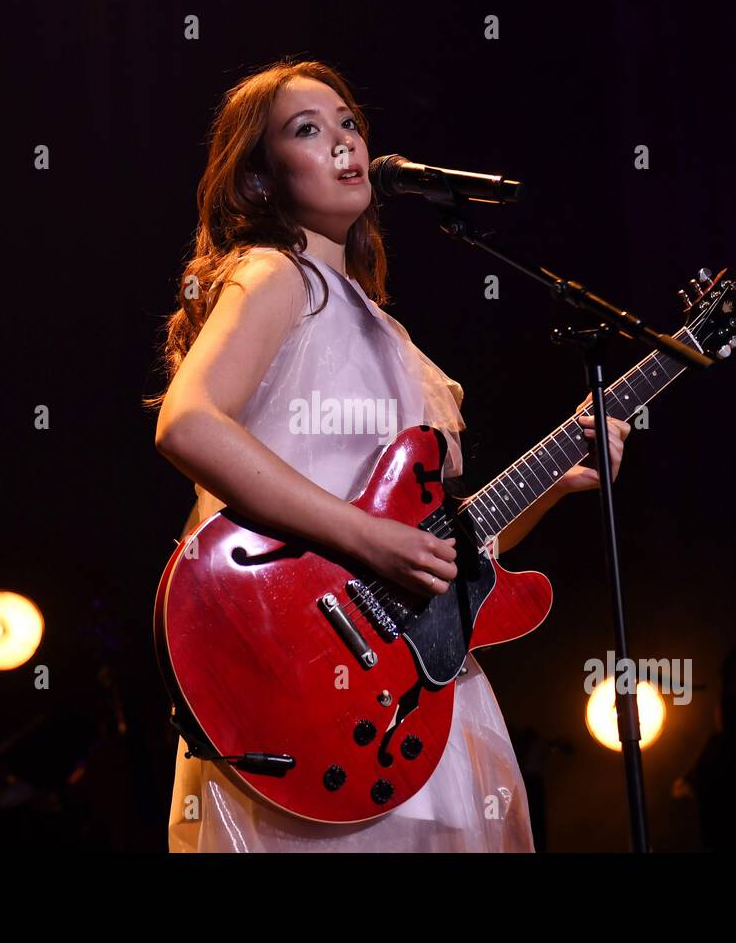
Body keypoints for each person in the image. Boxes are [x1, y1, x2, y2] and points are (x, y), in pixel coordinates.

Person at [146, 57, 631, 851]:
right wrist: (369, 537)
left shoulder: (399, 342)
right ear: (262, 181)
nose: (342, 143)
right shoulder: (276, 276)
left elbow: (440, 557)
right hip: (305, 677)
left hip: (412, 697)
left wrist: (557, 481)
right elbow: (188, 425)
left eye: (349, 125)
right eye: (307, 130)